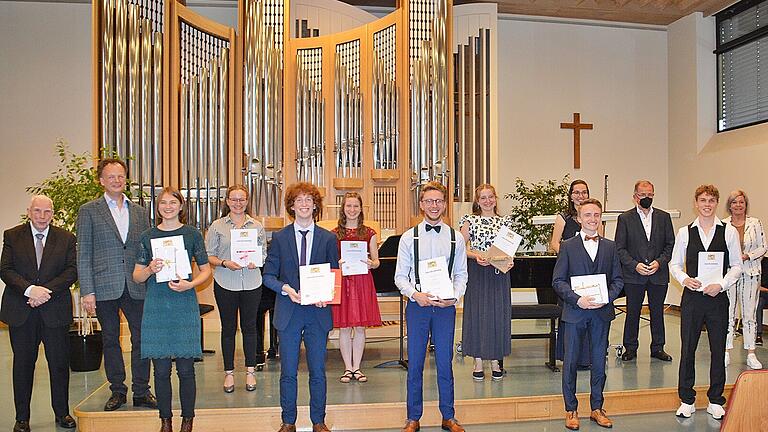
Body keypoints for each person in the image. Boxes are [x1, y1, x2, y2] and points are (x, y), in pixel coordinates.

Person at [76, 158, 156, 411]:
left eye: (121, 176)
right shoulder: (89, 210)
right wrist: (87, 290)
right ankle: (117, 390)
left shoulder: (141, 212)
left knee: (142, 338)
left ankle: (142, 391)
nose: (117, 180)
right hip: (104, 285)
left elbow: (147, 250)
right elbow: (84, 253)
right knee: (110, 339)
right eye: (111, 177)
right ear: (101, 180)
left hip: (136, 285)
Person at [133, 187, 212, 432]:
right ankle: (165, 420)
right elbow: (137, 275)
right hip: (157, 304)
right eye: (163, 203)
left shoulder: (192, 234)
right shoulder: (147, 236)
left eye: (173, 202)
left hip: (183, 303)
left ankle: (188, 420)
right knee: (161, 370)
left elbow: (206, 269)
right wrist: (150, 270)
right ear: (157, 207)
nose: (168, 207)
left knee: (186, 369)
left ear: (181, 206)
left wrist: (191, 284)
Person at [263, 182, 339, 432]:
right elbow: (269, 276)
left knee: (318, 370)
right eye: (299, 200)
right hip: (289, 311)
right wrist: (287, 290)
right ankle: (288, 421)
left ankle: (319, 420)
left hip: (317, 312)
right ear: (292, 206)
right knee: (288, 372)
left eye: (309, 200)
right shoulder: (280, 237)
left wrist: (325, 294)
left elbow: (335, 274)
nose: (304, 204)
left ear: (315, 206)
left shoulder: (328, 238)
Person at [395, 181, 468, 432]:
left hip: (445, 307)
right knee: (415, 362)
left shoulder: (455, 237)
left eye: (438, 201)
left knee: (445, 362)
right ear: (421, 205)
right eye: (429, 201)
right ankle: (413, 417)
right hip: (418, 306)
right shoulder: (408, 237)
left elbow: (461, 274)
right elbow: (400, 277)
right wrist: (416, 295)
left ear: (445, 204)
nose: (434, 205)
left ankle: (448, 416)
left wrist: (454, 297)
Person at [1, 195, 78, 432]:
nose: (42, 216)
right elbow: (5, 269)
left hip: (54, 310)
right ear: (29, 211)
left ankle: (62, 413)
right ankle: (22, 417)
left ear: (53, 213)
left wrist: (44, 292)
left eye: (47, 211)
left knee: (58, 364)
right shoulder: (12, 235)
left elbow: (72, 271)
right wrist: (30, 290)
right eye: (37, 211)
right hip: (21, 311)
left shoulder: (66, 238)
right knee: (23, 365)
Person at [670, 185, 742, 420]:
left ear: (716, 203)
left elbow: (737, 266)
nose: (707, 204)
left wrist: (720, 285)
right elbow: (675, 264)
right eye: (703, 200)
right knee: (688, 348)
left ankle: (715, 399)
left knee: (718, 350)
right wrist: (684, 279)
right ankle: (687, 399)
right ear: (696, 203)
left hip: (717, 299)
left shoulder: (729, 231)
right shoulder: (684, 232)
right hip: (692, 299)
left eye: (711, 200)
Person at [552, 198, 623, 431]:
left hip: (601, 313)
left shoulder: (611, 247)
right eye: (588, 215)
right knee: (570, 362)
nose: (592, 219)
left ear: (600, 218)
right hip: (575, 312)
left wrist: (606, 297)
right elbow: (558, 281)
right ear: (580, 218)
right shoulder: (568, 246)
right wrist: (577, 299)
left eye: (596, 215)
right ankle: (570, 409)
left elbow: (618, 280)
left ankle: (597, 407)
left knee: (599, 363)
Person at [205, 185, 267, 392]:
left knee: (250, 328)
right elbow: (209, 255)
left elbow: (264, 254)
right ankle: (229, 373)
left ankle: (250, 372)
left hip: (251, 282)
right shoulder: (217, 226)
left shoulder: (257, 226)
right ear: (227, 201)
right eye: (234, 199)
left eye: (242, 199)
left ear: (247, 201)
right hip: (225, 282)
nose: (238, 203)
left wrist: (255, 261)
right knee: (228, 329)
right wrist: (224, 263)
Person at [615, 180, 675, 362]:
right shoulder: (625, 218)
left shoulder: (664, 217)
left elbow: (670, 245)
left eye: (650, 194)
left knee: (657, 312)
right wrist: (635, 265)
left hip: (658, 274)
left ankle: (658, 347)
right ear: (635, 197)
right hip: (634, 275)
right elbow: (619, 248)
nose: (646, 198)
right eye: (642, 195)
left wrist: (659, 262)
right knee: (633, 312)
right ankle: (630, 348)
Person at [458, 184, 514, 381]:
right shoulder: (469, 220)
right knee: (478, 314)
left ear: (495, 199)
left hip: (499, 272)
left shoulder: (506, 221)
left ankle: (495, 361)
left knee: (498, 314)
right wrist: (475, 256)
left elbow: (509, 249)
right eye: (483, 197)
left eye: (491, 197)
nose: (488, 201)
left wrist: (509, 259)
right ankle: (478, 360)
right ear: (477, 201)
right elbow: (459, 248)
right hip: (477, 270)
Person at [331, 192, 382, 384]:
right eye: (348, 206)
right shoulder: (334, 234)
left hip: (362, 281)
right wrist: (338, 263)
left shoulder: (369, 233)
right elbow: (330, 261)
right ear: (343, 209)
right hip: (344, 282)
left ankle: (357, 368)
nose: (352, 210)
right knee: (344, 328)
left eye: (355, 206)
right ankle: (347, 368)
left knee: (360, 327)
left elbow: (377, 261)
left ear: (361, 209)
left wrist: (371, 263)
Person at [551, 179, 602, 367]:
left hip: (591, 273)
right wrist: (572, 257)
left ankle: (588, 358)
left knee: (593, 314)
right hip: (571, 274)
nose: (580, 195)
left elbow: (600, 242)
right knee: (572, 317)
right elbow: (555, 243)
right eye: (576, 192)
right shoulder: (562, 217)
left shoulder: (595, 219)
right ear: (570, 195)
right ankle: (570, 357)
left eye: (584, 192)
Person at [723, 190, 766, 369]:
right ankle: (725, 351)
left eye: (741, 202)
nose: (738, 205)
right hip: (730, 274)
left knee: (749, 315)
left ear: (745, 204)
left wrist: (747, 256)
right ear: (729, 205)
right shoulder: (723, 224)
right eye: (734, 202)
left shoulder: (755, 223)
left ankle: (750, 353)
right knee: (728, 313)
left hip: (750, 273)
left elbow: (763, 247)